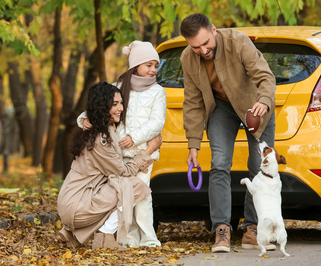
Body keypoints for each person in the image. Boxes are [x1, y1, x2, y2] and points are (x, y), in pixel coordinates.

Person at [179, 13, 277, 253]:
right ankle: (221, 230)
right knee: (220, 163)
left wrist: (264, 101)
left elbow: (265, 76)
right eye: (195, 47)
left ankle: (253, 229)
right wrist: (193, 144)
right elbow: (192, 101)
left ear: (213, 30)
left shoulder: (238, 41)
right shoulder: (187, 58)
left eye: (205, 43)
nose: (202, 50)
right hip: (221, 108)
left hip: (254, 105)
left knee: (260, 167)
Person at [78, 40, 167, 248]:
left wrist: (134, 137)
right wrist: (82, 119)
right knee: (124, 196)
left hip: (143, 152)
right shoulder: (119, 88)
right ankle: (128, 237)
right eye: (149, 65)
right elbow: (100, 107)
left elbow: (157, 122)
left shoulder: (158, 92)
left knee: (142, 197)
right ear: (136, 65)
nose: (154, 69)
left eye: (156, 65)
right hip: (118, 154)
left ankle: (148, 237)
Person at [57, 82, 163, 250]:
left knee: (118, 187)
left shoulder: (96, 130)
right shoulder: (101, 140)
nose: (121, 108)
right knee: (133, 186)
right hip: (78, 204)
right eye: (114, 104)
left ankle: (74, 233)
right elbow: (124, 173)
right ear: (102, 107)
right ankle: (106, 237)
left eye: (121, 103)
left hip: (73, 201)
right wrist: (149, 150)